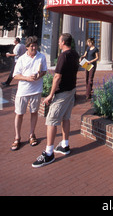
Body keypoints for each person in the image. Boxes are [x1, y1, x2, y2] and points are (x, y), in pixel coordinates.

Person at [32, 33, 79, 168]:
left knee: (51, 120)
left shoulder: (63, 56)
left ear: (63, 42)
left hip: (62, 93)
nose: (58, 43)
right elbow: (84, 66)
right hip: (71, 90)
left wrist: (50, 95)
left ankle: (49, 153)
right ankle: (64, 145)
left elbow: (57, 77)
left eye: (59, 41)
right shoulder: (75, 54)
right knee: (65, 117)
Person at [11, 36, 47, 151]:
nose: (34, 47)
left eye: (35, 45)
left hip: (36, 90)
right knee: (19, 113)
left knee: (34, 112)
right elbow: (15, 75)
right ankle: (17, 137)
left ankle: (32, 134)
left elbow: (44, 71)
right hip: (23, 90)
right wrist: (27, 78)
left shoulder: (41, 57)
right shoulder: (21, 59)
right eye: (32, 46)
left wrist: (39, 75)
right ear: (27, 47)